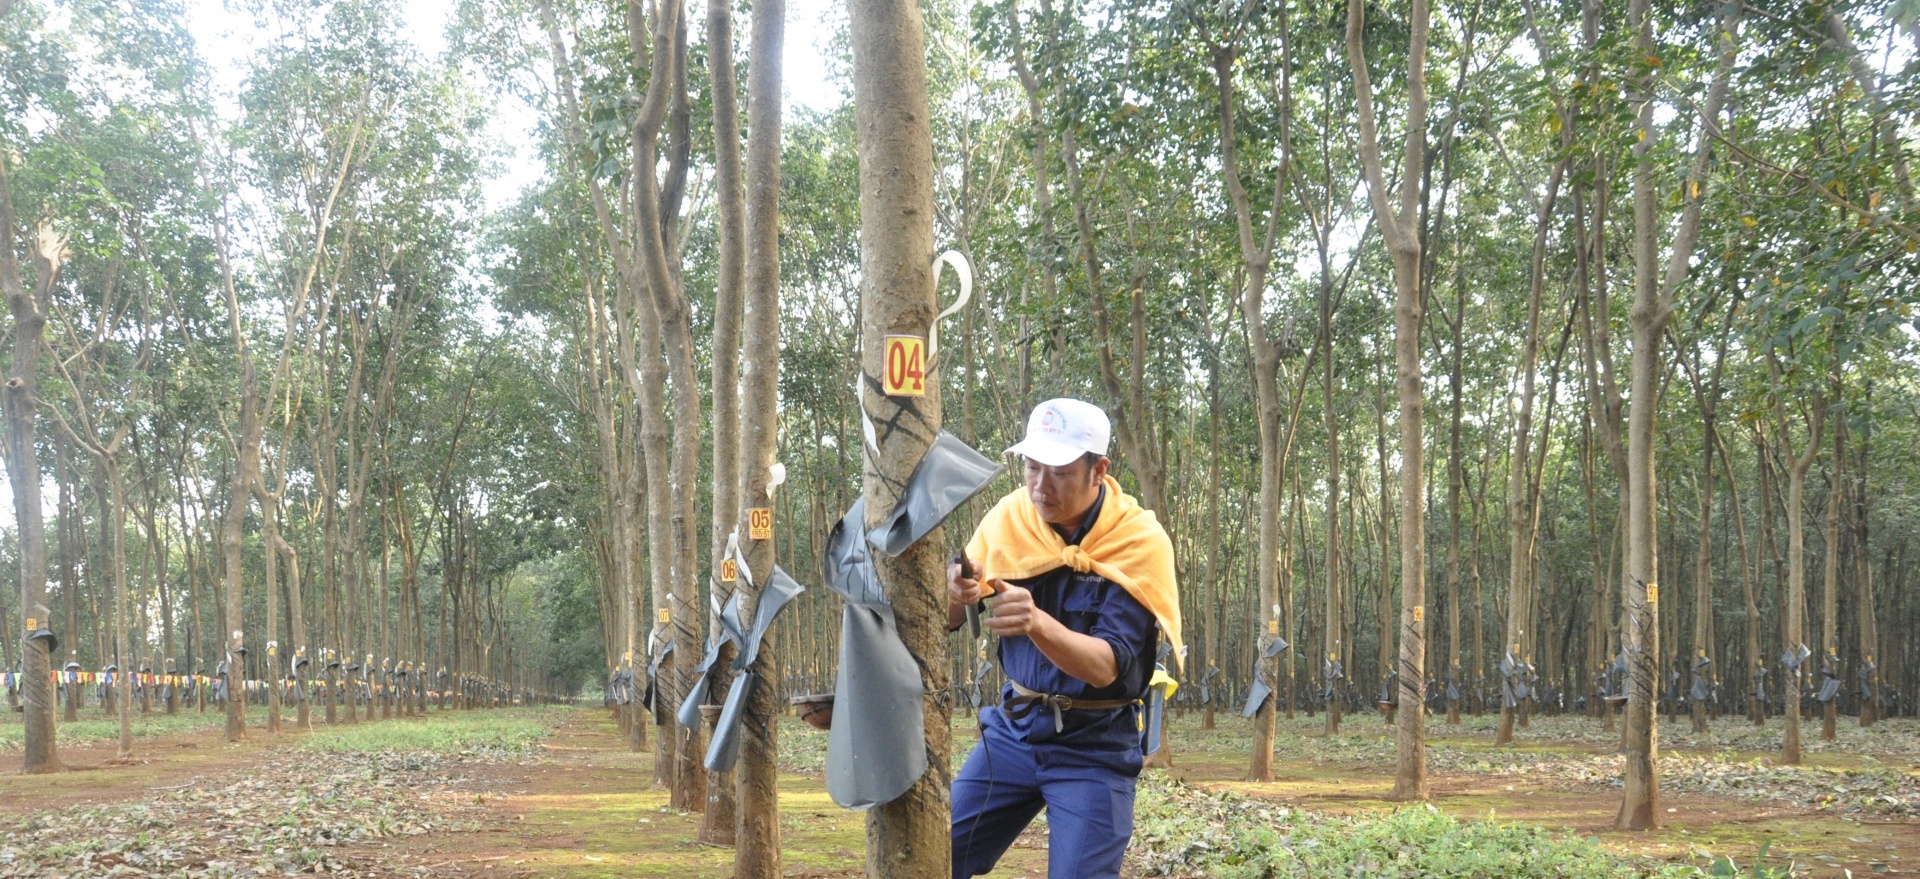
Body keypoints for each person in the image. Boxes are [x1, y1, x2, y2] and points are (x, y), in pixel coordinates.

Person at [947, 398, 1182, 879]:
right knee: (936, 855)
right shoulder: (1010, 518)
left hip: (1094, 745)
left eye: (1058, 472)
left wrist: (1036, 622)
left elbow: (1106, 666)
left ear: (1099, 470)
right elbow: (948, 617)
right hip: (1013, 731)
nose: (1040, 486)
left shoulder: (1137, 540)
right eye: (1032, 468)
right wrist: (956, 590)